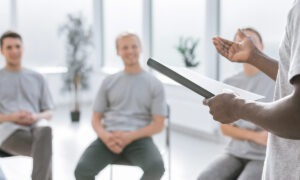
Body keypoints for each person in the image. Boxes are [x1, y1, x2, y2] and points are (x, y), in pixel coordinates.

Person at [204, 1, 300, 179]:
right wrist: (255, 57)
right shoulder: (230, 81)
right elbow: (287, 80)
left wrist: (236, 107)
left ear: (262, 44)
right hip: (239, 153)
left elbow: (297, 114)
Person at [74, 32, 167, 180]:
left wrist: (128, 137)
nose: (130, 51)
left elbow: (158, 125)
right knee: (82, 171)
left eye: (134, 46)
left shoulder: (154, 84)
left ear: (140, 49)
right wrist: (106, 137)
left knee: (156, 167)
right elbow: (96, 118)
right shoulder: (108, 82)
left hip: (139, 139)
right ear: (118, 51)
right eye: (125, 47)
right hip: (109, 137)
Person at [198, 28, 275, 180]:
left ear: (262, 46)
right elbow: (225, 128)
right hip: (234, 152)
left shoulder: (275, 80)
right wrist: (256, 136)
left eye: (251, 41)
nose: (244, 45)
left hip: (264, 155)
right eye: (239, 42)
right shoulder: (229, 83)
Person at [0, 31, 54, 180]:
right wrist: (12, 116)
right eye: (9, 47)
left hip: (36, 128)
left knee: (46, 131)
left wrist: (35, 116)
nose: (14, 51)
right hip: (10, 132)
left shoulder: (38, 77)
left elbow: (49, 112)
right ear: (2, 51)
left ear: (23, 48)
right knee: (45, 149)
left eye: (17, 46)